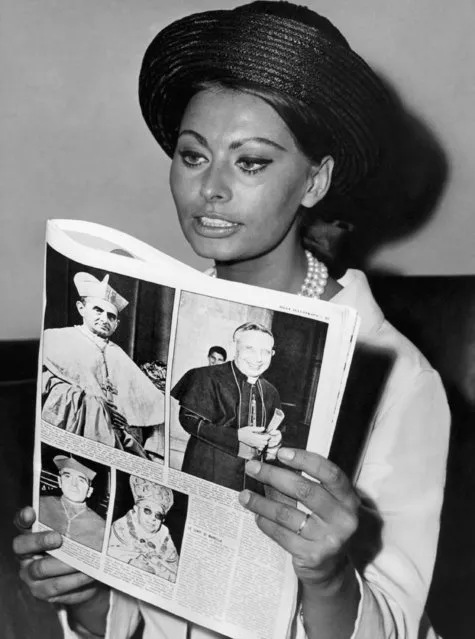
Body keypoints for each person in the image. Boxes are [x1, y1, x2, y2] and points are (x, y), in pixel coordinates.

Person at [13, 2, 450, 639]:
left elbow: (396, 626)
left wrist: (326, 574)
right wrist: (84, 594)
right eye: (193, 156)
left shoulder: (400, 377)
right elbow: (144, 612)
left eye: (250, 162)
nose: (210, 189)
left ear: (315, 181)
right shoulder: (169, 331)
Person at [42, 271, 165, 460]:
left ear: (117, 323)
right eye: (98, 310)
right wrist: (93, 403)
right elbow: (43, 384)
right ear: (81, 308)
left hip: (117, 436)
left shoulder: (120, 355)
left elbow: (152, 404)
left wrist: (124, 418)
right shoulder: (55, 338)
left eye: (111, 316)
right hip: (74, 426)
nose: (105, 319)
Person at [172, 322, 283, 491]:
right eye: (250, 349)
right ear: (235, 346)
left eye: (265, 351)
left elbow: (273, 442)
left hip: (250, 479)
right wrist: (237, 436)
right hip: (208, 471)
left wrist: (275, 442)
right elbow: (188, 420)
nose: (258, 358)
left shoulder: (271, 391)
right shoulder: (205, 376)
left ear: (273, 354)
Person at [108, 476, 179, 584]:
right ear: (136, 510)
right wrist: (132, 562)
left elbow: (174, 570)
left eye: (158, 515)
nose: (153, 519)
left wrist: (157, 569)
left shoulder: (164, 536)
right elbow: (111, 552)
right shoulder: (121, 527)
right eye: (147, 511)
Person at [39, 455, 106, 553]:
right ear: (60, 481)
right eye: (68, 476)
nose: (74, 484)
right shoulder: (41, 503)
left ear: (89, 491)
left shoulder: (101, 526)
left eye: (81, 480)